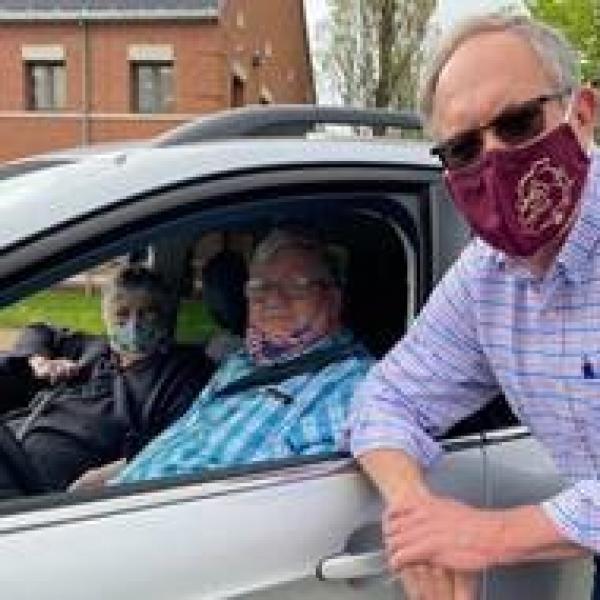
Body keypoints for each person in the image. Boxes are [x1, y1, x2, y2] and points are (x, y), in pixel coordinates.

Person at [350, 13, 600, 600]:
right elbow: (388, 396)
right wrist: (418, 517)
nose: (493, 160)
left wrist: (490, 536)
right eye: (463, 148)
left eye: (516, 123)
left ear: (582, 115)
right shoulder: (487, 278)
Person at [112, 230, 372, 484]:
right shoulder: (242, 360)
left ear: (333, 299)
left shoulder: (351, 386)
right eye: (260, 287)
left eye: (296, 285)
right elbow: (187, 440)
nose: (273, 298)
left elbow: (296, 508)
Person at [0, 266, 213, 493]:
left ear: (163, 314)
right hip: (12, 440)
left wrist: (110, 474)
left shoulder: (182, 369)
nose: (133, 324)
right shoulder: (96, 347)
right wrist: (40, 361)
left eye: (146, 312)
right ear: (105, 315)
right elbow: (40, 330)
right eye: (121, 314)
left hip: (42, 481)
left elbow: (172, 444)